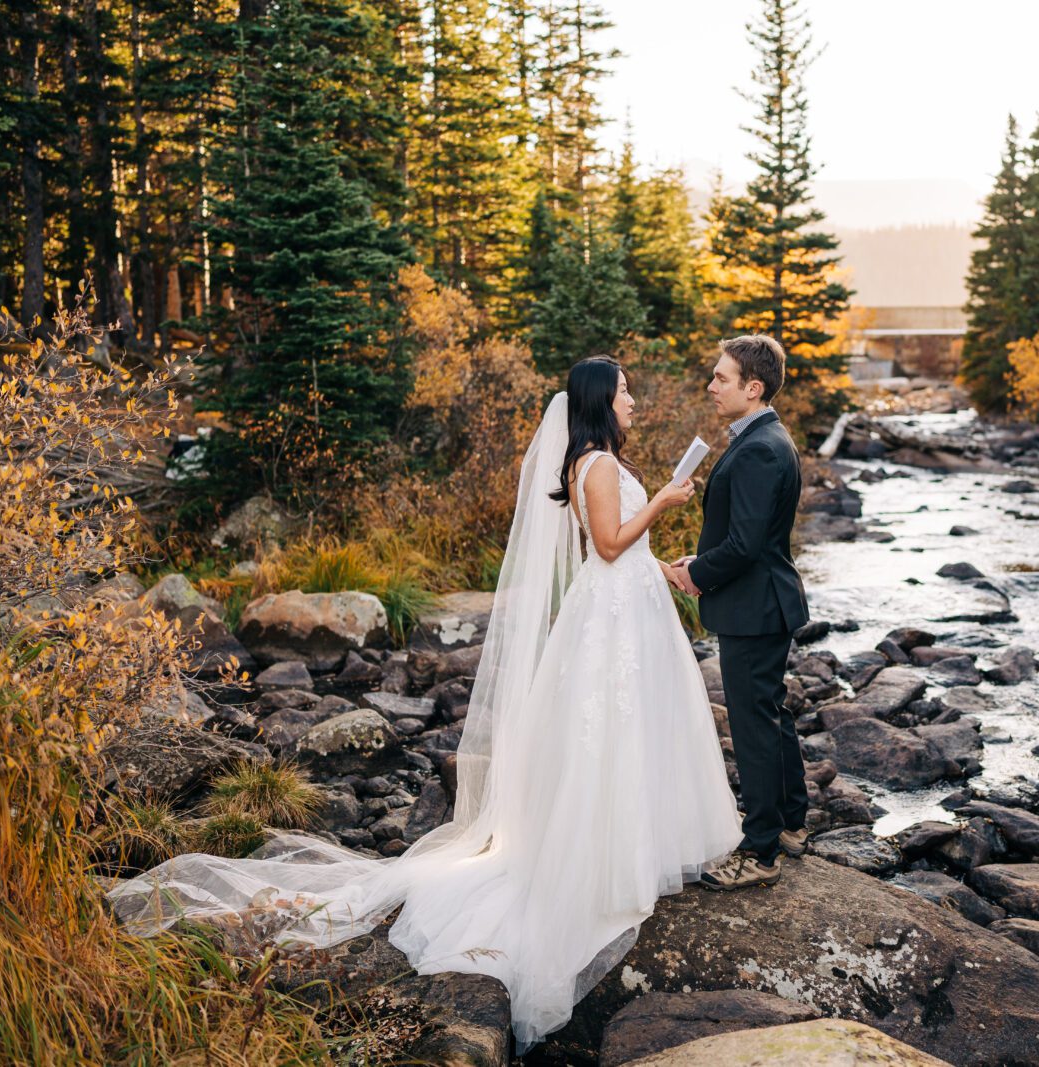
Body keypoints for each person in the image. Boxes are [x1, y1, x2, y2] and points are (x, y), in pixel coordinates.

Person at [104, 356, 743, 1054]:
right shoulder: (590, 463)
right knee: (604, 737)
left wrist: (670, 569)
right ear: (598, 400)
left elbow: (631, 550)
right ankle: (598, 865)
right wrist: (666, 502)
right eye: (624, 390)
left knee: (631, 734)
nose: (633, 399)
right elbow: (611, 545)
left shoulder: (599, 461)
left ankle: (634, 849)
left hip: (632, 610)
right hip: (609, 618)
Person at [667, 335, 811, 891]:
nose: (711, 385)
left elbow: (747, 545)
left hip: (755, 607)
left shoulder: (758, 447)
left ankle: (761, 853)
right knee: (771, 713)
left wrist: (695, 575)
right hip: (764, 600)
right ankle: (792, 822)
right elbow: (750, 538)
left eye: (721, 378)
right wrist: (703, 559)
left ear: (753, 388)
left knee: (754, 726)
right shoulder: (765, 437)